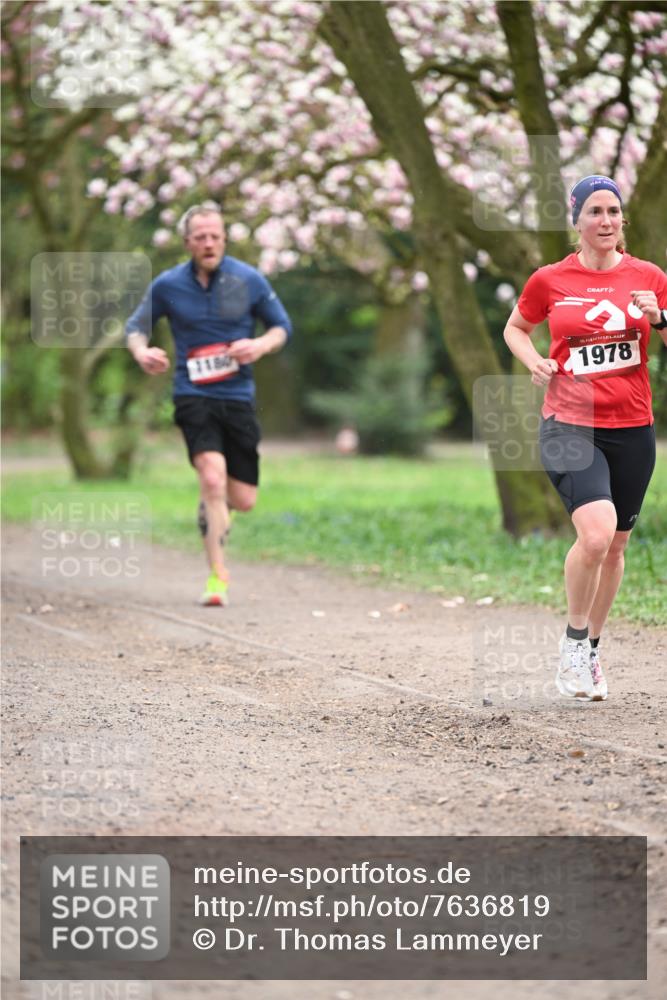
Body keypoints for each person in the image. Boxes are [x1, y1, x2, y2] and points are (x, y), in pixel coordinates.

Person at [504, 175, 667, 701]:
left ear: (623, 221)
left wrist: (657, 316)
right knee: (596, 534)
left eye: (613, 212)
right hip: (570, 420)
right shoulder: (550, 279)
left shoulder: (648, 276)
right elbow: (516, 327)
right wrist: (535, 362)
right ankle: (573, 645)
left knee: (617, 545)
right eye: (594, 211)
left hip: (633, 426)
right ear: (576, 219)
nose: (605, 221)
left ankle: (591, 649)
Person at [125, 201, 293, 606]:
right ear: (187, 242)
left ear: (224, 239)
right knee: (212, 478)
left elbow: (281, 327)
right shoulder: (167, 285)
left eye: (215, 235)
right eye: (200, 237)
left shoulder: (248, 279)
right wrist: (141, 352)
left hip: (236, 397)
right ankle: (218, 577)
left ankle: (216, 511)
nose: (208, 242)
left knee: (244, 500)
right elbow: (135, 327)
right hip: (192, 395)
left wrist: (259, 345)